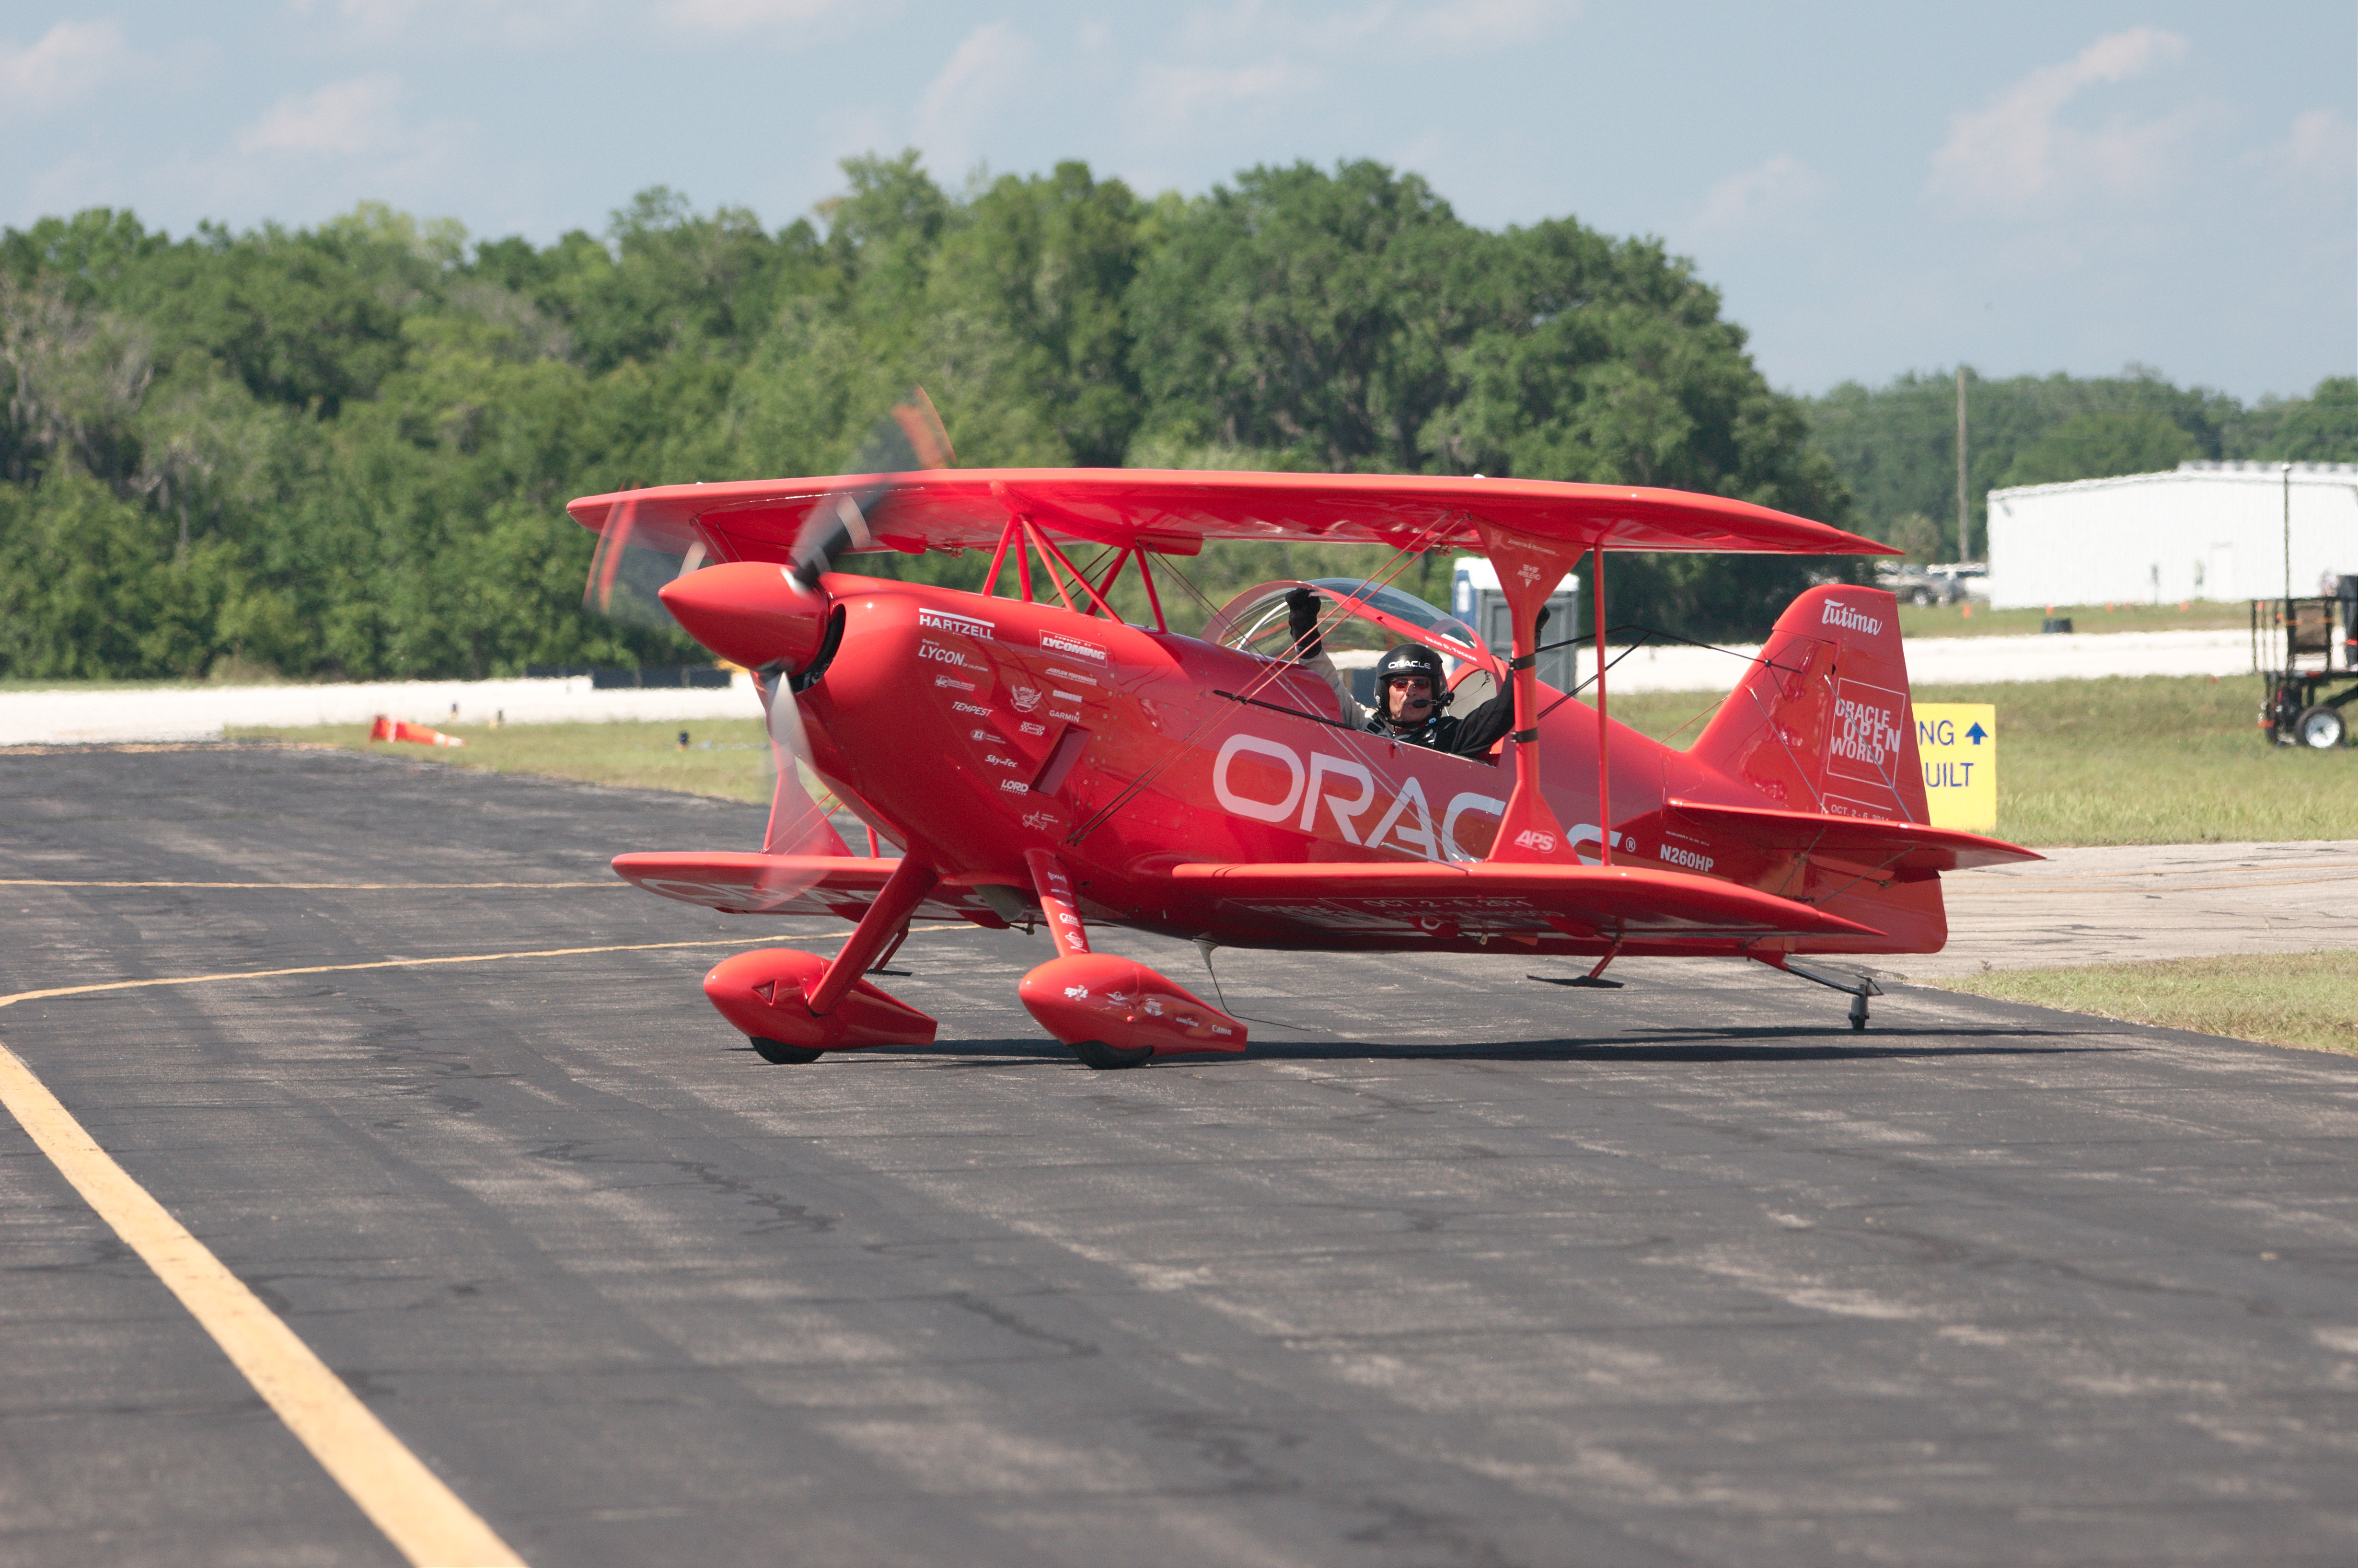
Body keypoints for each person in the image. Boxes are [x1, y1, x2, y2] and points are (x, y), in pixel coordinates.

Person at [1284, 586, 1521, 760]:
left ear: (1436, 693)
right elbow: (1324, 683)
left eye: (1421, 684)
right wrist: (1304, 628)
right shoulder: (1365, 724)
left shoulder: (1449, 736)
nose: (1410, 691)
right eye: (1400, 683)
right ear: (1384, 693)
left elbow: (1502, 712)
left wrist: (1524, 645)